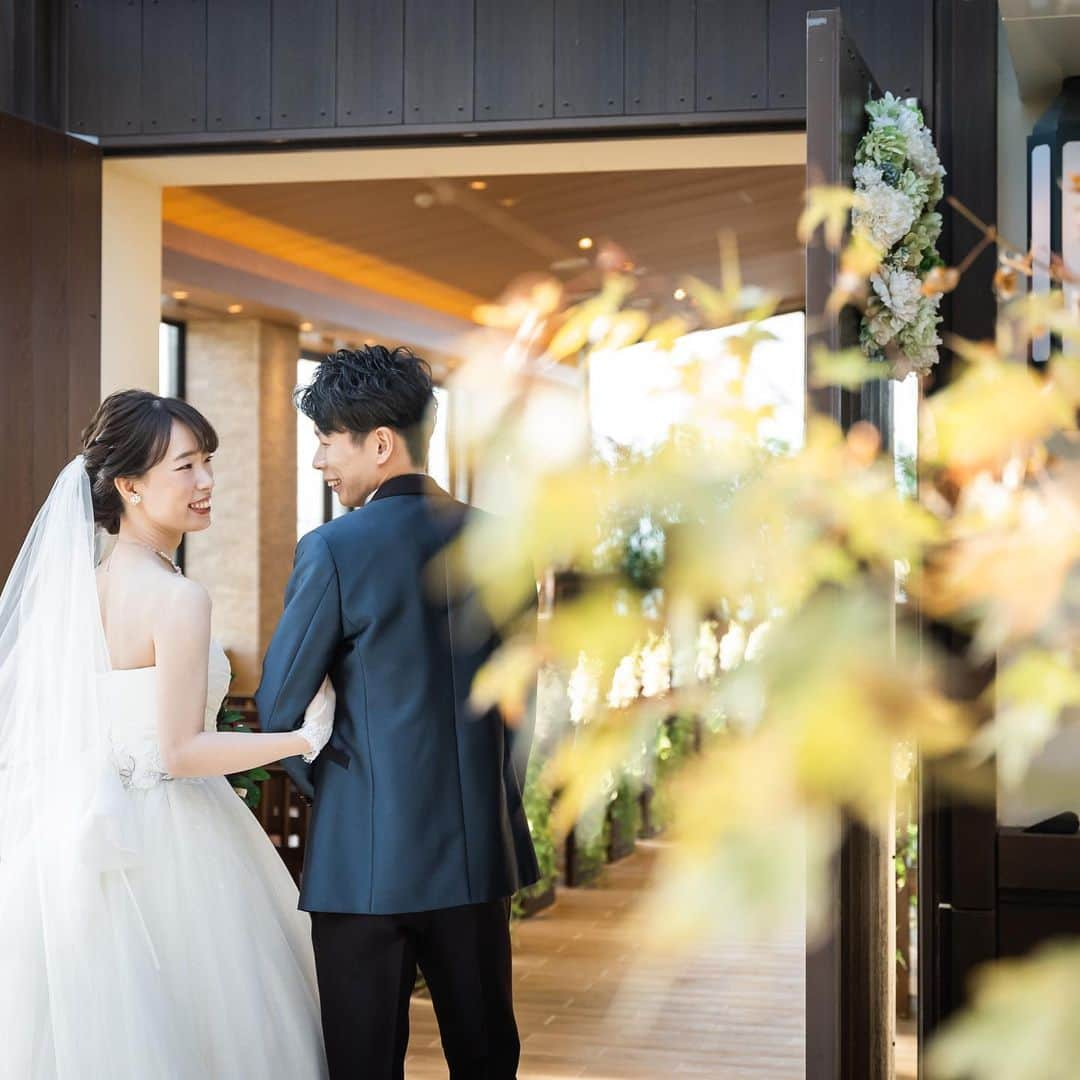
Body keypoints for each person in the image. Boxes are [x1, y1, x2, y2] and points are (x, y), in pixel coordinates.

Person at [0, 389, 332, 1078]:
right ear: (129, 484)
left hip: (79, 836)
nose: (206, 481)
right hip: (174, 836)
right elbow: (182, 751)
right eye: (185, 466)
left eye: (207, 461)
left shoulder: (79, 589)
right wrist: (303, 738)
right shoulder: (179, 598)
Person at [256, 345, 540, 1080]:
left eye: (326, 440)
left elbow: (282, 708)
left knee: (364, 1064)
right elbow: (522, 707)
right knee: (486, 1059)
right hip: (479, 856)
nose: (319, 460)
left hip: (365, 868)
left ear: (379, 444)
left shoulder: (333, 550)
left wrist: (346, 794)